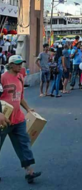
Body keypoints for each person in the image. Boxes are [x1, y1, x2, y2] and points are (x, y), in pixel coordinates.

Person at [0, 55, 41, 184]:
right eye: (17, 64)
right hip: (3, 119)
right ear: (10, 65)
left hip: (18, 119)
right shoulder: (2, 78)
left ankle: (29, 171)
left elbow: (20, 97)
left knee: (24, 144)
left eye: (21, 63)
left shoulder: (20, 77)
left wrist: (28, 109)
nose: (20, 66)